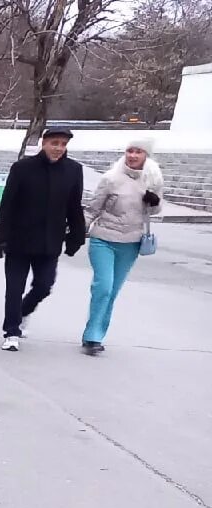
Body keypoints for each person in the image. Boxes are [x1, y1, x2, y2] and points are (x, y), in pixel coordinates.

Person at [0, 126, 86, 352]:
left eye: (63, 145)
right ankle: (11, 331)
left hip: (49, 241)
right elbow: (8, 205)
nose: (59, 149)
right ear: (44, 143)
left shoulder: (73, 170)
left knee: (44, 285)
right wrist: (1, 238)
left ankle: (23, 312)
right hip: (19, 240)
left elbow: (74, 206)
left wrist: (76, 236)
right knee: (14, 288)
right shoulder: (23, 168)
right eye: (55, 143)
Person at [80, 137, 162, 355]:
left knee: (113, 292)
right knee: (103, 287)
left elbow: (154, 212)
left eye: (138, 152)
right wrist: (79, 231)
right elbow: (93, 208)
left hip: (131, 243)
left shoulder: (153, 180)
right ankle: (92, 336)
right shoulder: (111, 178)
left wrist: (155, 202)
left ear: (147, 155)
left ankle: (96, 334)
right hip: (103, 239)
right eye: (130, 151)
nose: (133, 156)